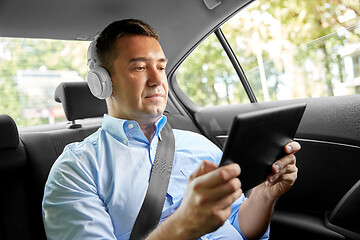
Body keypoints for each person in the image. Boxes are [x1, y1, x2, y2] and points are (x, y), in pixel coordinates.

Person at [42, 19, 300, 240]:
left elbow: (241, 228)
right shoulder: (76, 169)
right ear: (102, 83)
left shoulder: (200, 145)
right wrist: (184, 226)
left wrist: (265, 195)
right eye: (140, 67)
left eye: (161, 67)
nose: (157, 80)